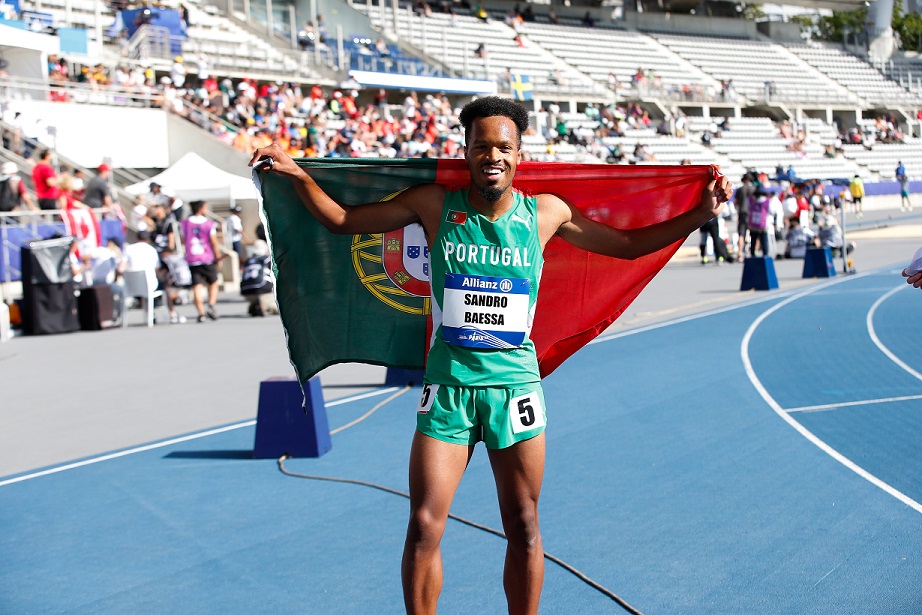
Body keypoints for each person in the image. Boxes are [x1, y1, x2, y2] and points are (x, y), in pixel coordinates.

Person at [249, 96, 731, 614]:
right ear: (467, 151)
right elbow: (343, 221)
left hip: (515, 391)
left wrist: (702, 213)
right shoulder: (433, 204)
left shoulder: (546, 213)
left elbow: (629, 246)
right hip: (449, 389)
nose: (492, 156)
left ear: (520, 154)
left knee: (523, 524)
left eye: (504, 146)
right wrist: (297, 173)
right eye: (481, 146)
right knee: (425, 525)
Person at [180, 200, 225, 323]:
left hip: (192, 257)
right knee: (213, 282)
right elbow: (214, 242)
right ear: (201, 208)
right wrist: (218, 257)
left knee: (196, 286)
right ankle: (210, 305)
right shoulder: (209, 224)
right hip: (207, 257)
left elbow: (183, 240)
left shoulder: (184, 224)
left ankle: (201, 313)